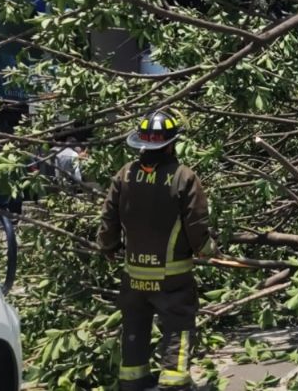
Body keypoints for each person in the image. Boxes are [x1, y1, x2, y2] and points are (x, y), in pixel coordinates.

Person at [97, 110, 213, 391]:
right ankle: (174, 384)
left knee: (134, 327)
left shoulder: (125, 175)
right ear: (171, 144)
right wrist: (206, 249)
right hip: (172, 277)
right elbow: (196, 222)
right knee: (179, 326)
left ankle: (132, 382)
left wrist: (107, 246)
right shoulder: (183, 177)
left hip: (134, 275)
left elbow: (109, 218)